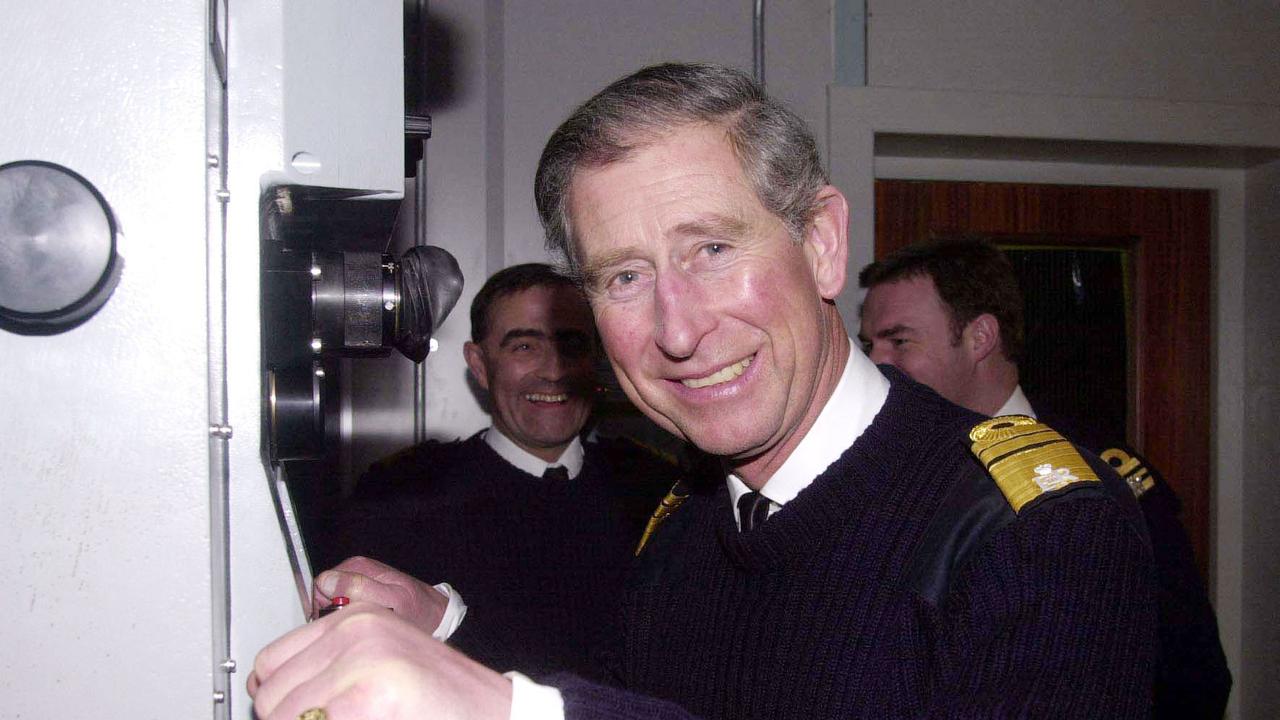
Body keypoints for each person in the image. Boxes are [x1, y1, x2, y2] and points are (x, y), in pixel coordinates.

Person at [250, 62, 1157, 720]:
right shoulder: (689, 516)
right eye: (624, 278)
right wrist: (444, 630)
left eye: (712, 252)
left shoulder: (1034, 530)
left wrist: (514, 715)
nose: (677, 331)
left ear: (822, 245)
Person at [858, 237, 1232, 719]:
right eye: (870, 345)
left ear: (980, 337)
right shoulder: (888, 471)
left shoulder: (1097, 476)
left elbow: (1192, 672)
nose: (876, 365)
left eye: (899, 341)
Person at [309, 262, 672, 681]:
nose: (553, 371)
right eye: (524, 347)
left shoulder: (659, 493)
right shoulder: (400, 496)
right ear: (479, 364)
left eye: (571, 346)